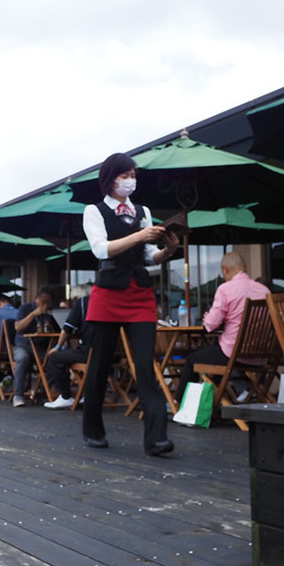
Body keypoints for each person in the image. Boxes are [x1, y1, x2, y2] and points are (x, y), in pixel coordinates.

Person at [81, 152, 180, 455]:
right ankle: (93, 430)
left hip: (139, 292)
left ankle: (156, 438)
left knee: (145, 365)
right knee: (99, 364)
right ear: (111, 179)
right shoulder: (94, 211)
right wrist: (139, 237)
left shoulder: (142, 211)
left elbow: (150, 257)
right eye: (125, 175)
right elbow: (101, 250)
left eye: (134, 175)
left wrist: (169, 249)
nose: (130, 181)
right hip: (108, 292)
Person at [175, 252, 270, 402]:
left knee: (192, 359)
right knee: (214, 359)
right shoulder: (264, 291)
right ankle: (216, 402)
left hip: (233, 353)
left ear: (225, 270)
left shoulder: (225, 289)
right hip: (260, 355)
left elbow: (211, 324)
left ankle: (181, 403)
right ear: (245, 268)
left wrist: (207, 317)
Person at [11, 287, 60, 407]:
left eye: (48, 303)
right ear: (36, 299)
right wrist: (33, 314)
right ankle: (18, 395)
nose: (45, 305)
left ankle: (41, 391)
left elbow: (58, 332)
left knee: (56, 359)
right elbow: (17, 327)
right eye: (43, 302)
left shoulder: (49, 313)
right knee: (22, 358)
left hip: (41, 348)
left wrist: (51, 329)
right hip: (24, 345)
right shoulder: (25, 308)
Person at [44, 291, 92, 410]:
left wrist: (57, 347)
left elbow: (67, 329)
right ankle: (92, 394)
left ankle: (65, 396)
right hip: (112, 354)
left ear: (77, 296)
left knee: (55, 357)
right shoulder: (109, 303)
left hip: (89, 353)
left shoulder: (82, 303)